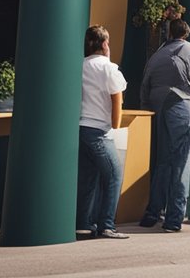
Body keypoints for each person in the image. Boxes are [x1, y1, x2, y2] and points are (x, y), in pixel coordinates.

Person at [139, 18, 190, 232]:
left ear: (169, 33)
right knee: (181, 163)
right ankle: (173, 219)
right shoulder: (189, 50)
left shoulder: (157, 54)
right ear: (186, 33)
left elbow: (144, 88)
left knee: (162, 162)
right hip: (180, 107)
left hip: (157, 109)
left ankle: (152, 213)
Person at [77, 25, 128, 239]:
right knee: (114, 175)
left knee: (88, 179)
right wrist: (115, 128)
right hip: (99, 131)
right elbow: (117, 99)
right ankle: (107, 225)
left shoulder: (79, 66)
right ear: (105, 44)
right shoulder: (109, 68)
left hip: (80, 129)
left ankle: (82, 223)